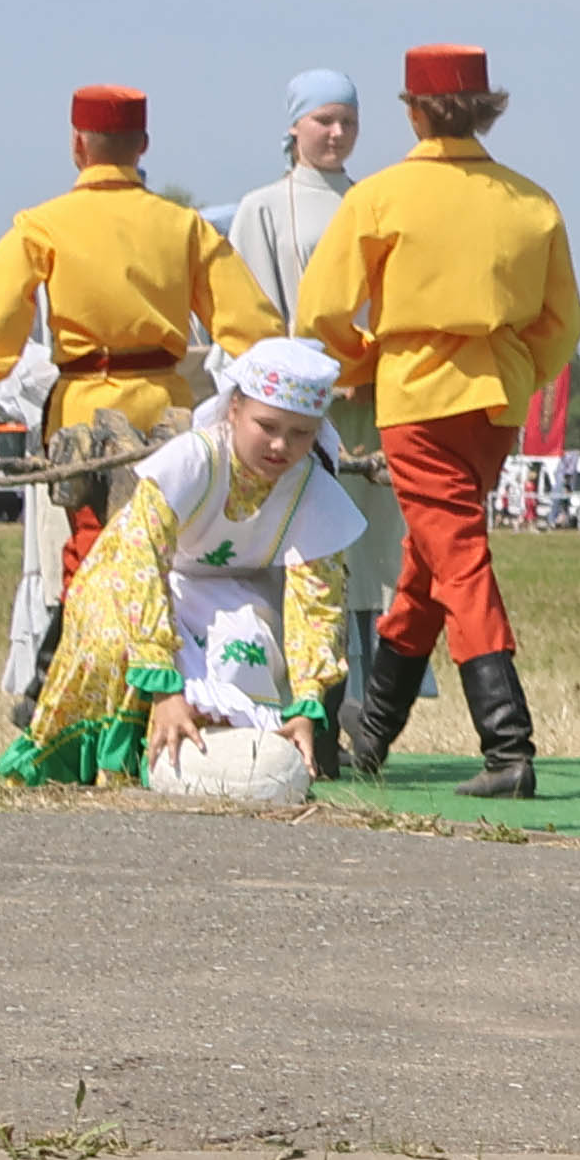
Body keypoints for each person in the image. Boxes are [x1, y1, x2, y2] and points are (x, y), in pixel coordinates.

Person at [290, 45, 580, 798]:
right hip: (495, 406)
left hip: (415, 397)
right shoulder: (531, 200)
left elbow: (320, 310)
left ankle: (507, 746)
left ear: (413, 110)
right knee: (429, 564)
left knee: (458, 562)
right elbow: (562, 324)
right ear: (488, 109)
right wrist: (517, 372)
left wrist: (361, 363)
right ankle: (372, 735)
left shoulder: (382, 197)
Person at [0, 88, 268, 727]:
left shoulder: (40, 225)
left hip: (83, 415)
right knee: (154, 555)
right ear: (143, 146)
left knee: (92, 551)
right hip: (165, 415)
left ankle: (58, 692)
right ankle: (74, 689)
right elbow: (252, 327)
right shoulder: (186, 227)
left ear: (76, 145)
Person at [7, 339, 363, 798]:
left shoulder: (310, 487)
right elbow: (141, 559)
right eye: (267, 426)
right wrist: (164, 690)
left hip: (230, 590)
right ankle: (125, 756)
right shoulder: (196, 458)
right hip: (135, 579)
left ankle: (215, 753)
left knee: (247, 645)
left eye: (300, 433)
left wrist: (307, 703)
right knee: (115, 637)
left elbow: (318, 601)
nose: (281, 445)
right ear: (234, 408)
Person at [210, 72, 398, 698]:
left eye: (348, 120)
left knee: (365, 554)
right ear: (294, 126)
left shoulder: (377, 200)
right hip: (292, 416)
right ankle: (290, 692)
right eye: (324, 121)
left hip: (365, 408)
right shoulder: (264, 206)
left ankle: (367, 700)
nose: (337, 133)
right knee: (296, 548)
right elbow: (253, 312)